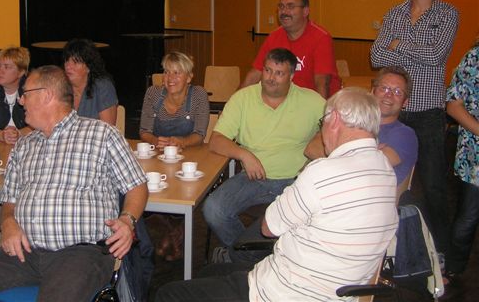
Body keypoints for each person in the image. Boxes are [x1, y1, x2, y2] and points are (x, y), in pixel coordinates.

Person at [156, 87, 398, 302]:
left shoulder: (323, 172)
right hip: (338, 288)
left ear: (334, 119)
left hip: (285, 291)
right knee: (210, 273)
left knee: (167, 293)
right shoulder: (385, 170)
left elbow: (269, 227)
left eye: (323, 121)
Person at [0, 66, 148, 301]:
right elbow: (9, 201)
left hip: (81, 253)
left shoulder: (102, 134)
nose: (21, 101)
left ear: (47, 95)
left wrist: (127, 220)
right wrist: (8, 222)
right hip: (26, 250)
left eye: (26, 94)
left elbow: (137, 185)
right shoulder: (24, 145)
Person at [370, 0, 459, 259]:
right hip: (393, 114)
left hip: (427, 113)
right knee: (385, 179)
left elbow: (437, 56)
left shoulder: (447, 14)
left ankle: (442, 255)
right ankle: (388, 249)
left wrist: (398, 45)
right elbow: (376, 56)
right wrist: (409, 49)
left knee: (433, 188)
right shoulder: (395, 13)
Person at [203, 48, 324, 248]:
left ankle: (256, 255)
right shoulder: (243, 99)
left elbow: (335, 133)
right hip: (254, 179)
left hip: (298, 180)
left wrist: (318, 144)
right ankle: (246, 254)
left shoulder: (312, 101)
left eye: (279, 73)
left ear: (291, 76)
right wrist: (244, 155)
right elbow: (216, 140)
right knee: (214, 209)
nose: (271, 78)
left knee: (325, 212)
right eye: (267, 70)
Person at [305, 66, 418, 195]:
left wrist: (337, 150)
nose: (389, 95)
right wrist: (361, 155)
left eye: (398, 92)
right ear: (372, 91)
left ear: (405, 102)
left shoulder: (405, 135)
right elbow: (311, 149)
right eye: (384, 88)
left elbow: (366, 168)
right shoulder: (351, 119)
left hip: (363, 200)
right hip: (323, 190)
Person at [139, 51, 209, 260]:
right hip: (158, 158)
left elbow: (199, 134)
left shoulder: (198, 95)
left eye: (177, 73)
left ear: (189, 77)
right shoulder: (153, 93)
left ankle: (172, 232)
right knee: (147, 191)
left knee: (184, 193)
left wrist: (181, 142)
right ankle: (174, 232)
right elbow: (144, 130)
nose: (170, 78)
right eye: (167, 72)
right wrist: (155, 140)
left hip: (190, 157)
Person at [241, 0, 340, 98]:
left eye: (291, 6)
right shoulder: (274, 37)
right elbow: (255, 74)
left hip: (313, 101)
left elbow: (322, 83)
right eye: (281, 6)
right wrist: (234, 103)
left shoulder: (321, 38)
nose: (284, 12)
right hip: (285, 101)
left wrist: (320, 108)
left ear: (305, 11)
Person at [445, 35, 479, 279]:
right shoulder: (475, 57)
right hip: (476, 154)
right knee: (468, 217)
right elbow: (453, 106)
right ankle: (453, 269)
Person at [63, 38, 118, 124]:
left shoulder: (103, 87)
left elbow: (107, 128)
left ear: (88, 67)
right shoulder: (62, 87)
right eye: (67, 61)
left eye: (75, 62)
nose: (68, 66)